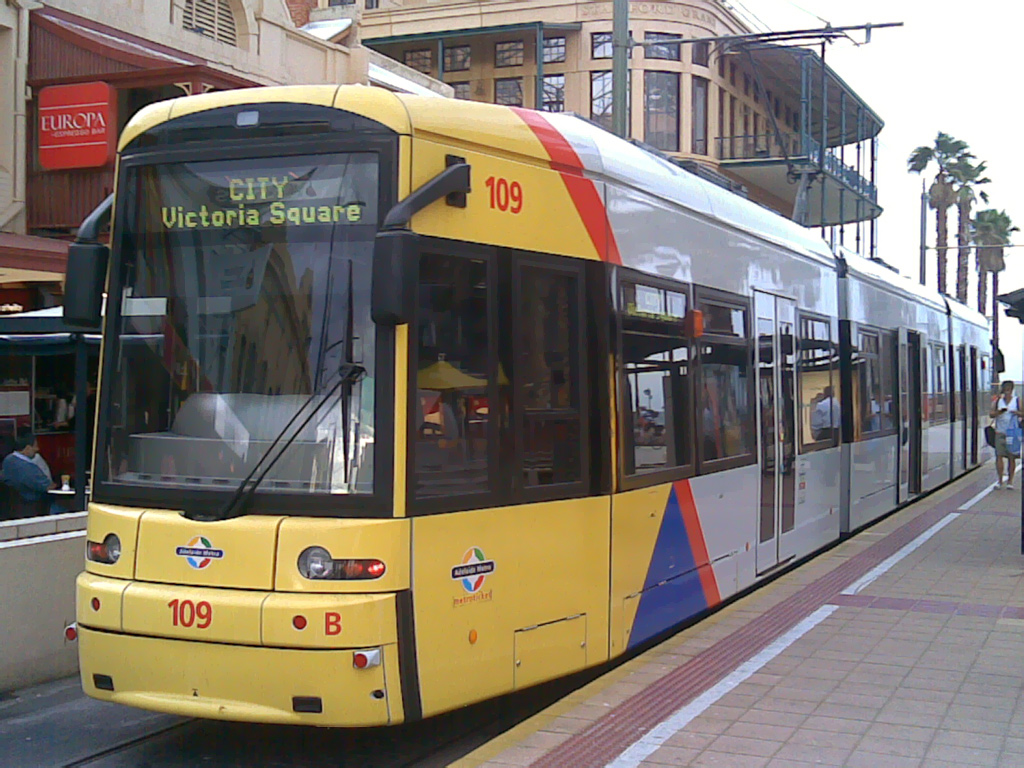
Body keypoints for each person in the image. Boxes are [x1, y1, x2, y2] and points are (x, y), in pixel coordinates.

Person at [1, 431, 58, 516]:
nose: (37, 449)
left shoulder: (8, 460)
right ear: (27, 448)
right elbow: (48, 487)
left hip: (12, 507)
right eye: (35, 446)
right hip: (32, 505)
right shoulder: (27, 467)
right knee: (61, 508)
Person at [990, 380, 1020, 489]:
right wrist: (999, 412)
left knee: (1011, 457)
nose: (1007, 392)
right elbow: (991, 414)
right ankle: (999, 480)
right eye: (1005, 390)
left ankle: (1010, 481)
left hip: (1012, 433)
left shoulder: (1017, 401)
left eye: (1009, 390)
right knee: (999, 456)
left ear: (1012, 390)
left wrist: (1016, 412)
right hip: (1000, 432)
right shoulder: (998, 401)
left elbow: (1023, 413)